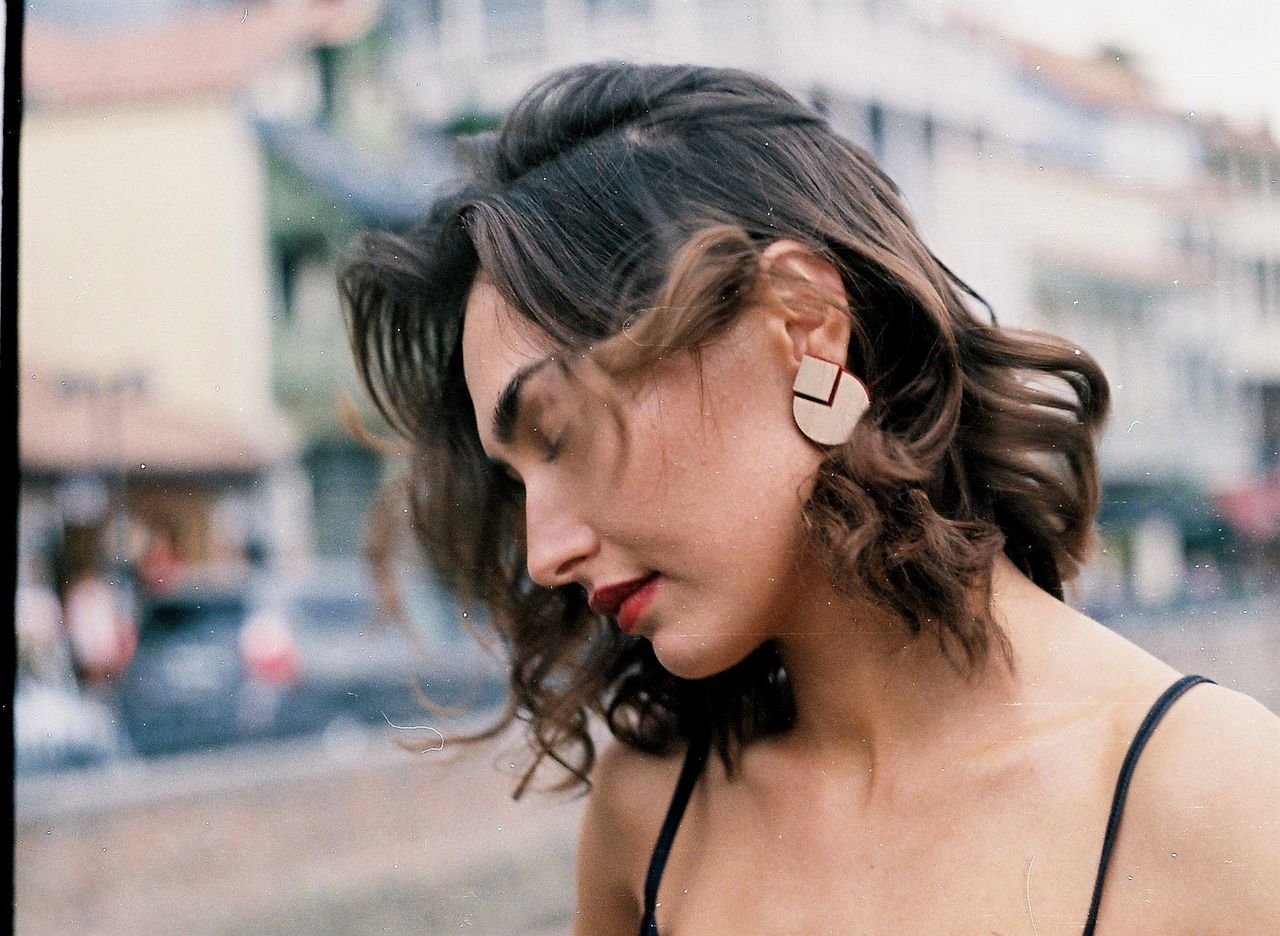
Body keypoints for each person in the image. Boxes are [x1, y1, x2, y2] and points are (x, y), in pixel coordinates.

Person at [340, 63, 1280, 934]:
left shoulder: (1218, 798)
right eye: (519, 483)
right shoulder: (653, 818)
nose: (544, 553)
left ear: (805, 326)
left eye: (560, 434)